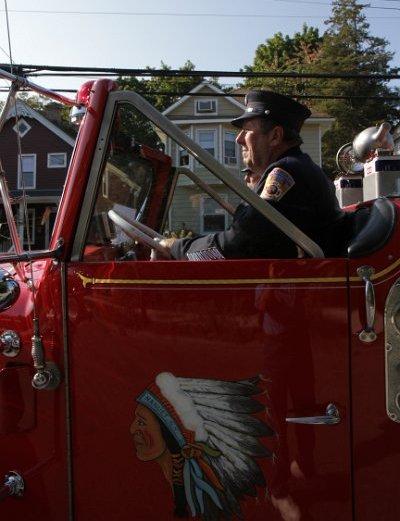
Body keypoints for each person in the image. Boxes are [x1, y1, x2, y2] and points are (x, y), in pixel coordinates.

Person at [160, 90, 347, 260]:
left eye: (247, 130)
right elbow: (253, 234)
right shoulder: (296, 168)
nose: (238, 139)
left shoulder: (286, 173)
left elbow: (239, 244)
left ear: (275, 136)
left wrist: (177, 248)